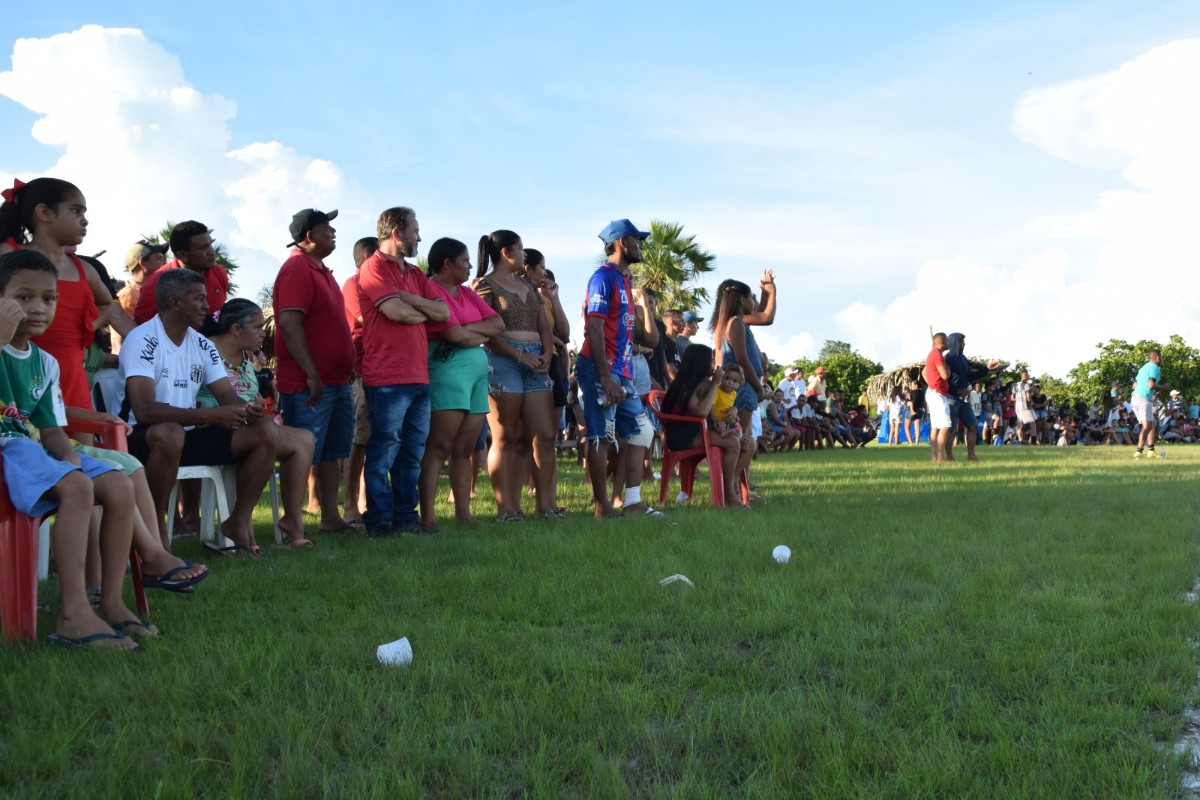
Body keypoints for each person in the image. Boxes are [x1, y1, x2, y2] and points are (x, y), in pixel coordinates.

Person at [0, 249, 142, 649]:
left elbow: (52, 431)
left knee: (116, 483)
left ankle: (109, 600)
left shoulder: (45, 362)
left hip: (28, 450)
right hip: (6, 449)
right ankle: (72, 612)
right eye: (23, 298)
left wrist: (70, 459)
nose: (38, 309)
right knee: (77, 487)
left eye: (48, 299)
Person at [119, 268, 278, 554]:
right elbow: (143, 411)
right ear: (175, 302)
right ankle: (155, 535)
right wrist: (207, 416)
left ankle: (238, 521)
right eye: (199, 299)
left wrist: (248, 409)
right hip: (140, 438)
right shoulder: (142, 339)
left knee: (266, 430)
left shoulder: (202, 344)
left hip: (187, 435)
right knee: (169, 434)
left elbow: (227, 398)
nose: (208, 305)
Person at [357, 206, 448, 537]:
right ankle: (379, 521)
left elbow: (443, 311)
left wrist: (410, 298)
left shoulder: (414, 275)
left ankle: (406, 518)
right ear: (397, 232)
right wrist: (419, 308)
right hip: (386, 380)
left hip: (418, 377)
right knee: (383, 451)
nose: (419, 237)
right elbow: (397, 313)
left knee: (411, 453)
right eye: (415, 231)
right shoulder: (373, 268)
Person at [197, 299, 316, 547]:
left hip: (247, 424)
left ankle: (292, 519)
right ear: (236, 329)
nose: (264, 332)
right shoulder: (205, 350)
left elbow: (251, 395)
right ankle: (241, 520)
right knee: (265, 433)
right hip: (213, 427)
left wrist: (258, 404)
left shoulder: (246, 357)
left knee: (304, 438)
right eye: (258, 326)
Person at [271, 208, 357, 533]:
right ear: (309, 236)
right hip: (309, 384)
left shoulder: (322, 270)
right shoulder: (297, 268)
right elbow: (290, 325)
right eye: (326, 228)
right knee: (304, 450)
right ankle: (292, 518)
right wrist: (312, 373)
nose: (333, 232)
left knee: (333, 452)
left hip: (335, 381)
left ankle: (330, 517)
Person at [0, 178, 116, 415]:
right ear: (44, 213)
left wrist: (87, 327)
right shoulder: (8, 254)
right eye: (75, 210)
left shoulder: (85, 269)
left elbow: (106, 303)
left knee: (78, 450)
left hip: (72, 381)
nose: (84, 220)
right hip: (16, 379)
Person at [577, 219, 661, 518]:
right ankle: (602, 507)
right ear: (623, 242)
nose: (641, 245)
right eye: (637, 240)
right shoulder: (603, 278)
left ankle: (632, 501)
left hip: (621, 370)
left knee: (641, 433)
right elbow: (594, 328)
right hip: (601, 368)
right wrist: (604, 376)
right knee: (601, 434)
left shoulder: (625, 280)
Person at [419, 238, 505, 529]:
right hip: (446, 373)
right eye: (465, 261)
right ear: (447, 263)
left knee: (464, 450)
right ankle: (428, 517)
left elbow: (498, 325)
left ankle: (463, 515)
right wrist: (470, 334)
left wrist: (466, 331)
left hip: (476, 378)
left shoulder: (467, 293)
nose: (470, 265)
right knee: (438, 448)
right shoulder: (430, 289)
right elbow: (454, 337)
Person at [473, 230, 558, 521]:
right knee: (505, 437)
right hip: (502, 361)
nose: (525, 255)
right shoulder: (484, 285)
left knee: (544, 435)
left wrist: (546, 354)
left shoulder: (527, 285)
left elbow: (544, 326)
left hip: (536, 360)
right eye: (521, 250)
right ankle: (506, 509)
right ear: (507, 252)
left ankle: (545, 506)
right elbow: (489, 333)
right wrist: (521, 355)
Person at [660, 344, 746, 507]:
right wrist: (714, 384)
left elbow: (716, 406)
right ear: (700, 363)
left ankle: (734, 490)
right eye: (711, 361)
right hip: (682, 436)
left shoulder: (702, 382)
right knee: (733, 443)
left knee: (746, 442)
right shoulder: (685, 385)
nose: (714, 365)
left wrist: (733, 410)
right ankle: (729, 495)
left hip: (697, 430)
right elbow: (701, 411)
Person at [712, 274, 775, 495]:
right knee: (745, 442)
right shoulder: (736, 322)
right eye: (751, 297)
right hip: (745, 386)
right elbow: (741, 359)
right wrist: (758, 386)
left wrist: (769, 292)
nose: (754, 302)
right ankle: (731, 491)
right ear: (741, 300)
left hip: (740, 386)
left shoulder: (729, 321)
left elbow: (765, 316)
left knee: (744, 440)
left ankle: (740, 489)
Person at [341, 236, 378, 526]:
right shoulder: (354, 285)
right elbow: (367, 320)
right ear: (368, 255)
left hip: (387, 370)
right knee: (360, 440)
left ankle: (369, 501)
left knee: (379, 439)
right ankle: (350, 504)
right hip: (363, 369)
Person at [132, 220, 229, 327]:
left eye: (210, 244)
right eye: (203, 248)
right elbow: (142, 326)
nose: (211, 252)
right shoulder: (156, 285)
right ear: (182, 255)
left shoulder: (219, 272)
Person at [942, 332, 1001, 462]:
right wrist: (957, 390)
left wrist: (986, 368)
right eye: (962, 342)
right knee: (952, 429)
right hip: (951, 399)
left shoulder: (963, 358)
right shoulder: (947, 359)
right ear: (956, 342)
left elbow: (970, 376)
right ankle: (949, 457)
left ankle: (971, 456)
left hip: (963, 400)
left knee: (973, 425)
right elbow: (943, 382)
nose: (964, 344)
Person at [117, 239, 169, 322]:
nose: (164, 263)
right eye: (158, 259)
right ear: (143, 264)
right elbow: (125, 330)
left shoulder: (156, 289)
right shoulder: (129, 294)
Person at [1132, 349, 1169, 459]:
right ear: (1158, 358)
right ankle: (1138, 452)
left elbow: (1134, 385)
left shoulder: (1143, 368)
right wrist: (1164, 387)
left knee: (1151, 424)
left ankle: (1151, 451)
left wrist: (1147, 393)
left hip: (1136, 397)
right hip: (1143, 399)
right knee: (1147, 426)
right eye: (1161, 358)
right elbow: (1151, 385)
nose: (1162, 360)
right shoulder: (1155, 367)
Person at [924, 332, 953, 463]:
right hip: (938, 393)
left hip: (932, 392)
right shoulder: (937, 355)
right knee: (945, 426)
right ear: (941, 342)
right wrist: (947, 369)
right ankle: (940, 457)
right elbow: (945, 375)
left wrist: (931, 382)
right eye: (946, 341)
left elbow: (924, 372)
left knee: (935, 426)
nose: (948, 343)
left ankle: (934, 457)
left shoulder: (932, 354)